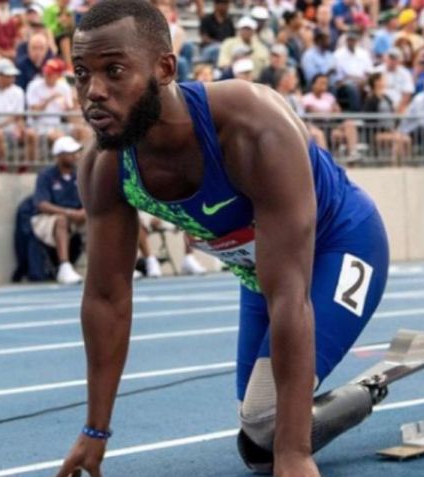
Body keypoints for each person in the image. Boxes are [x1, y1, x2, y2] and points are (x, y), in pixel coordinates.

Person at [55, 2, 390, 476]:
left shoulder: (252, 127)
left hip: (342, 243)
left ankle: (382, 380)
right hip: (260, 269)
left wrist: (295, 455)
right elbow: (107, 298)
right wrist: (95, 431)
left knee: (272, 430)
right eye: (81, 74)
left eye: (114, 71)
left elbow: (291, 296)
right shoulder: (105, 165)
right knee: (258, 438)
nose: (94, 93)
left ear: (165, 68)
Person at [31, 135, 86, 284]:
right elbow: (41, 204)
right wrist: (69, 213)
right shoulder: (46, 175)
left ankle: (107, 266)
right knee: (61, 221)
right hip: (46, 218)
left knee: (98, 222)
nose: (76, 156)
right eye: (71, 153)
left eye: (77, 152)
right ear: (59, 156)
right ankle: (64, 267)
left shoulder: (80, 174)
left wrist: (85, 211)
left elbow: (89, 198)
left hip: (75, 217)